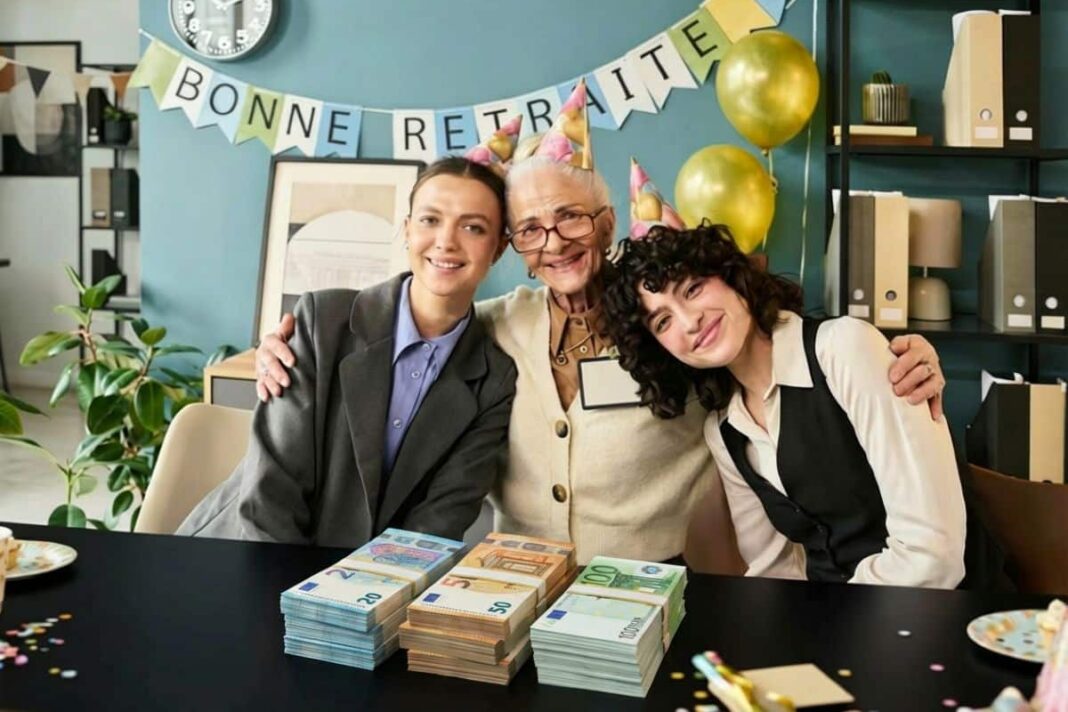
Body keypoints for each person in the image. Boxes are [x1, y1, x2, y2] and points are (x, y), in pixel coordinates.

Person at [252, 83, 949, 566]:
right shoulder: (492, 327)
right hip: (516, 578)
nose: (554, 241)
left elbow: (764, 339)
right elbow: (403, 338)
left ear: (607, 223)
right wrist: (288, 345)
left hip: (643, 584)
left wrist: (900, 354)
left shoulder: (667, 321)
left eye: (571, 218)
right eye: (530, 229)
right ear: (514, 249)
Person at [602, 223, 970, 588]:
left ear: (731, 277)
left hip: (937, 608)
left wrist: (831, 620)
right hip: (823, 614)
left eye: (693, 289)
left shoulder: (844, 349)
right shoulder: (724, 431)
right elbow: (771, 569)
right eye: (663, 322)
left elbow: (933, 556)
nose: (689, 321)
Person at [177, 155, 518, 546]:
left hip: (371, 576)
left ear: (498, 247)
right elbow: (271, 496)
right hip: (247, 551)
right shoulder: (322, 320)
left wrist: (372, 584)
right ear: (407, 230)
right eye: (430, 220)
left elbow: (438, 523)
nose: (446, 241)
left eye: (473, 227)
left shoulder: (494, 379)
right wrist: (294, 586)